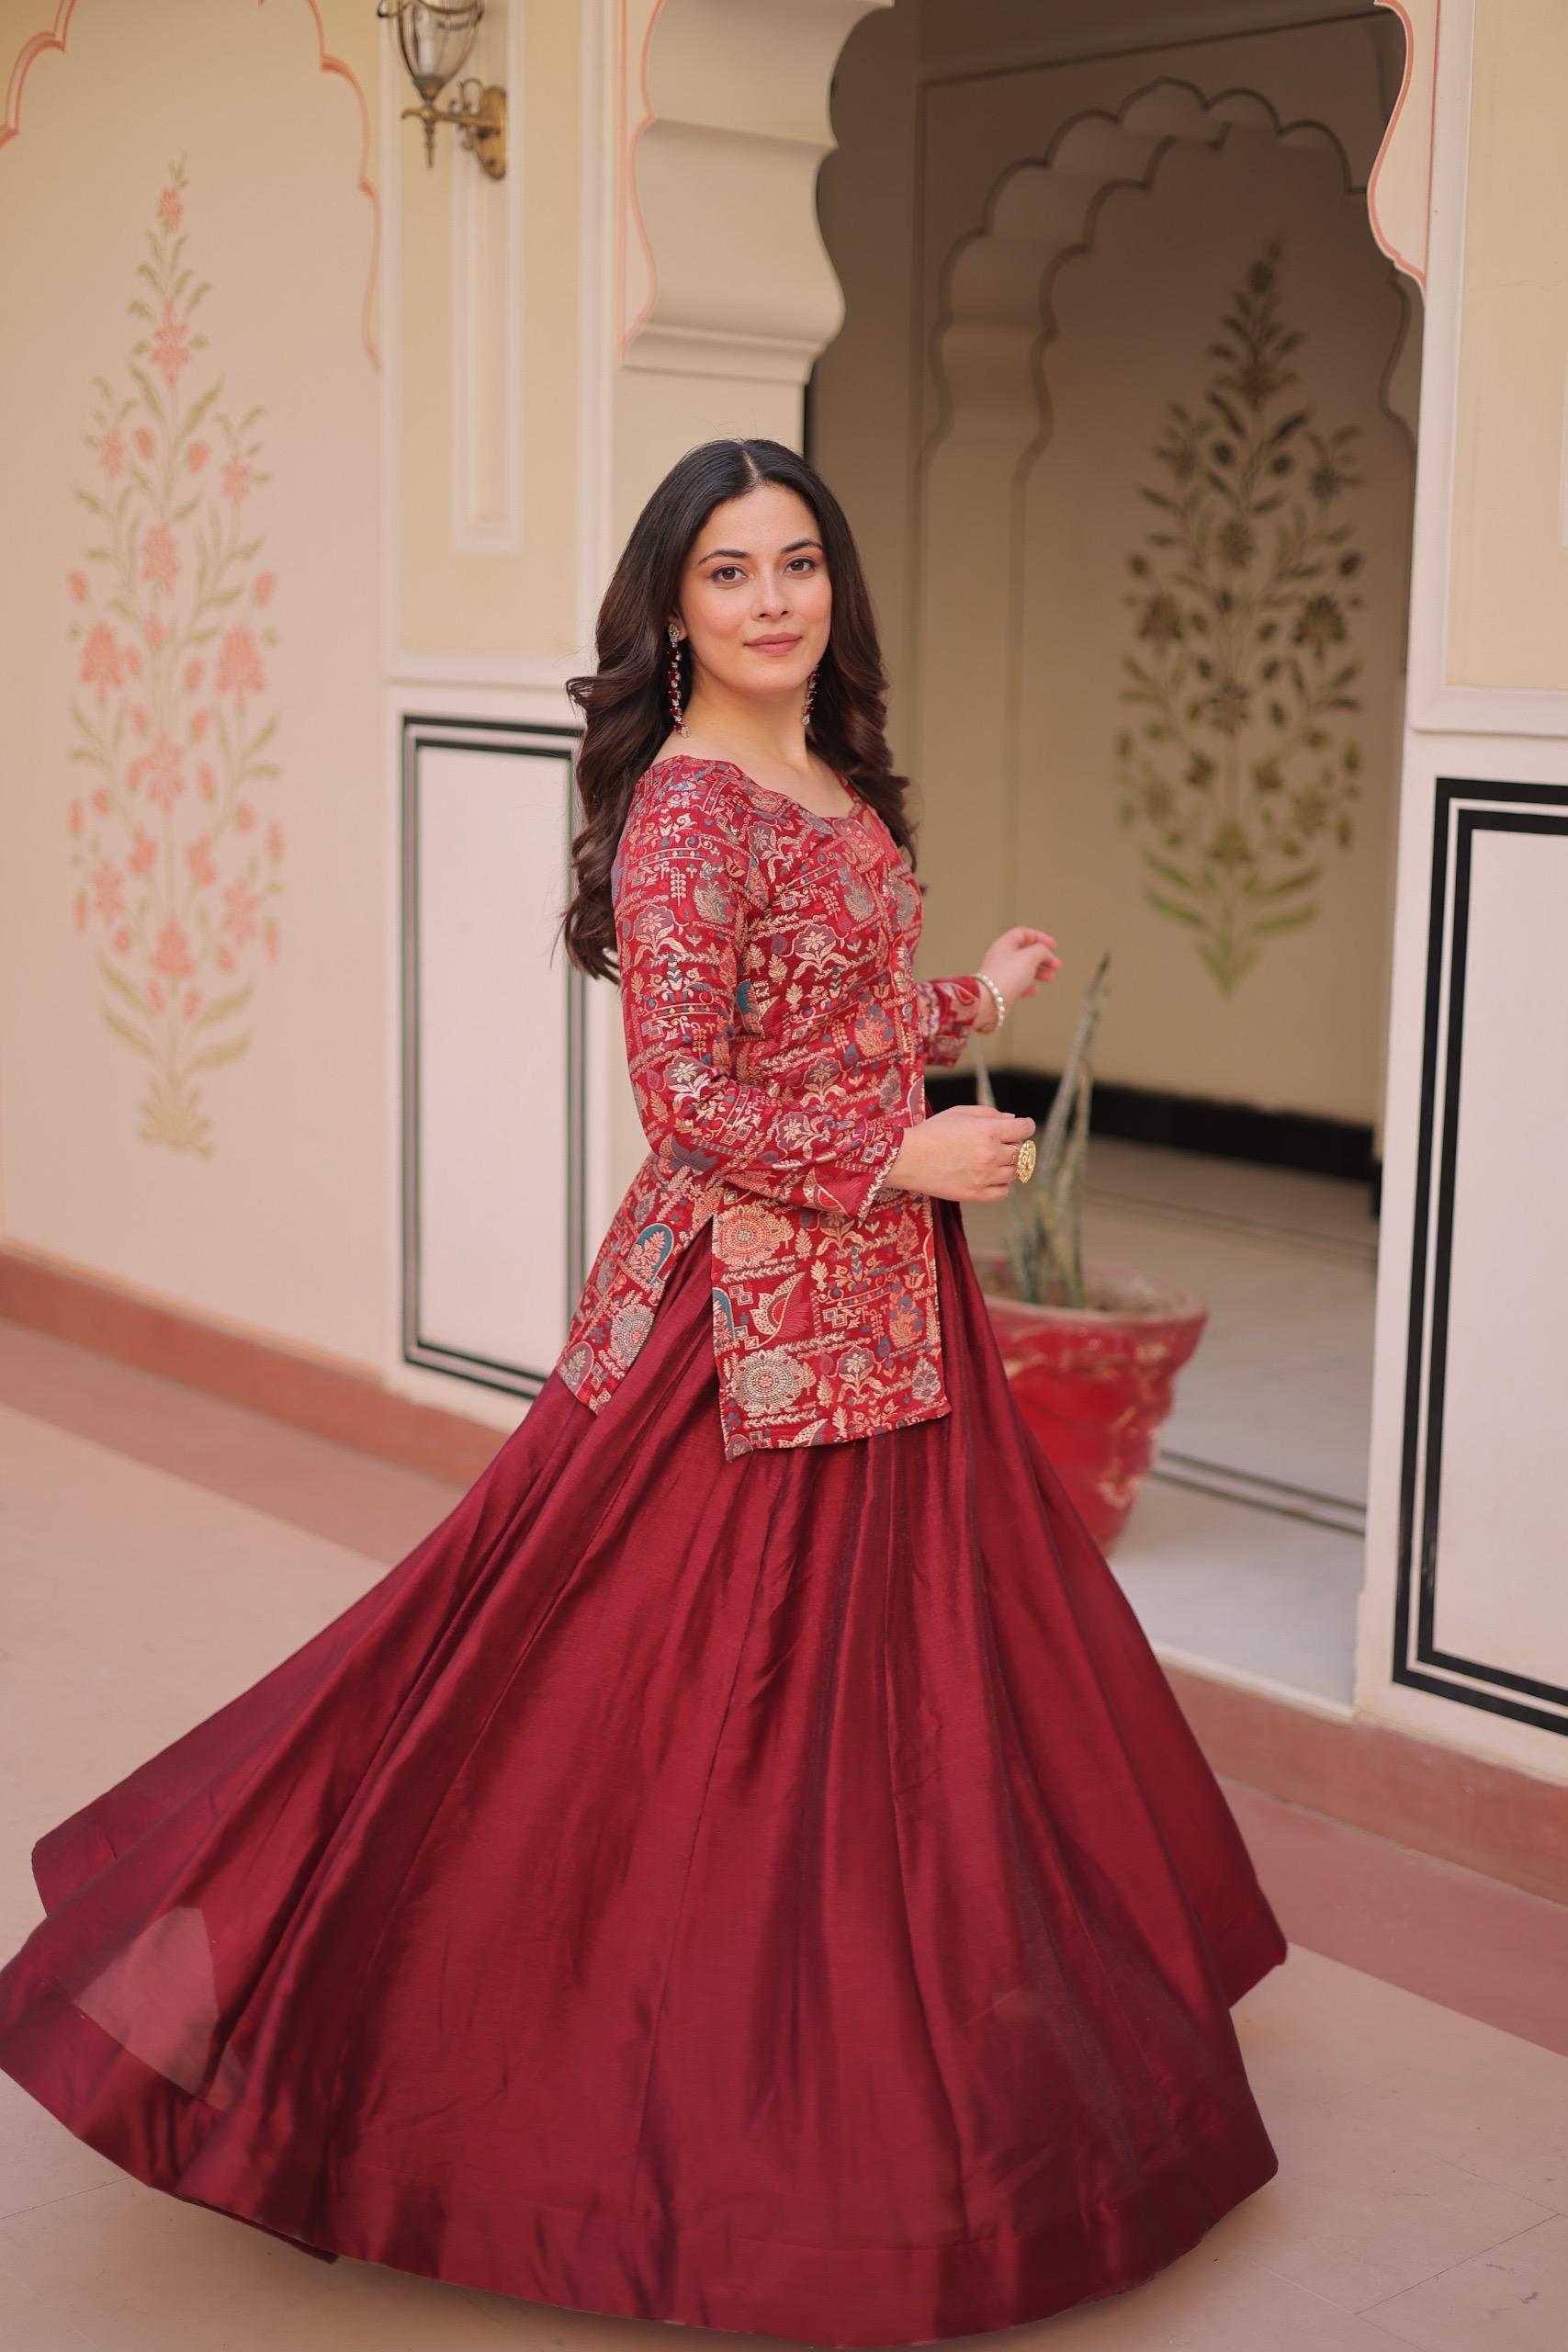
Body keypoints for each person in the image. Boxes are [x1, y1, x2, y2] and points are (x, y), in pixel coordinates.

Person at [0, 435, 1287, 2347]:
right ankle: (549, 2067)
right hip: (749, 1314)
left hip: (879, 1305)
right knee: (649, 1685)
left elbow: (827, 1013)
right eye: (729, 574)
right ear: (671, 610)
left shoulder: (822, 767)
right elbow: (686, 1100)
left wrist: (966, 1002)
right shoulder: (687, 808)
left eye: (797, 564)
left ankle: (923, 2060)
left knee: (917, 1681)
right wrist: (903, 1158)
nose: (774, 600)